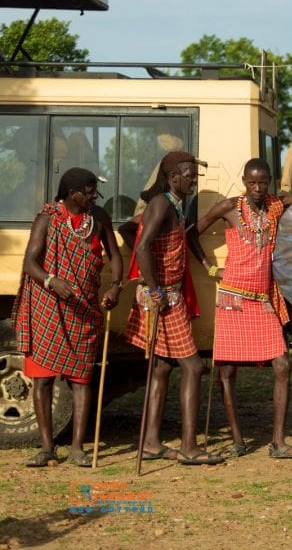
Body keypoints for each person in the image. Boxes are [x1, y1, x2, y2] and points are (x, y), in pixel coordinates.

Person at [187, 158, 292, 459]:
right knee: (227, 372)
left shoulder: (275, 206)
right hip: (232, 297)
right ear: (244, 181)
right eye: (252, 183)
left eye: (262, 183)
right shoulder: (229, 207)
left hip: (262, 300)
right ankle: (237, 440)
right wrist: (208, 267)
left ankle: (278, 443)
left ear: (268, 181)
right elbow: (191, 233)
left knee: (282, 365)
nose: (257, 188)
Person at [13, 168, 123, 467]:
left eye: (94, 191)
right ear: (72, 193)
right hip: (48, 306)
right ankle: (47, 448)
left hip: (83, 308)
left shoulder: (98, 219)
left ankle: (77, 449)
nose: (93, 196)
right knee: (42, 380)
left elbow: (115, 256)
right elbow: (30, 262)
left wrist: (115, 286)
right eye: (88, 191)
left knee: (81, 380)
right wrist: (51, 281)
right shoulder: (47, 219)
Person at [123, 151, 223, 465]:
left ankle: (152, 443)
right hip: (163, 299)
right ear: (173, 177)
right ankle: (190, 448)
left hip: (170, 295)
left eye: (196, 174)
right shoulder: (162, 204)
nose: (194, 179)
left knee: (163, 367)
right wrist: (154, 290)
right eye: (190, 175)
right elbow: (141, 245)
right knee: (193, 367)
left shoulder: (175, 206)